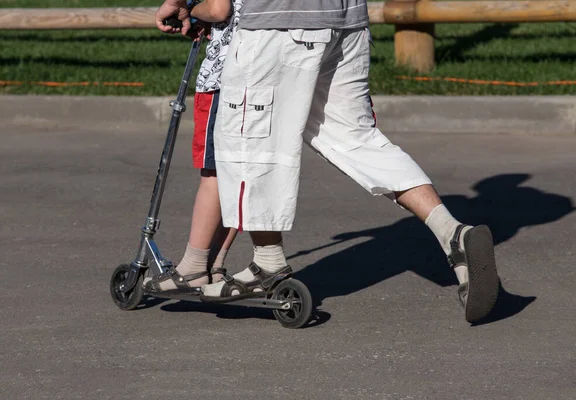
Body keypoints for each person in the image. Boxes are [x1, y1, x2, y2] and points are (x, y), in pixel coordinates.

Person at [155, 0, 500, 323]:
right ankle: (451, 232)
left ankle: (267, 263)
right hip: (346, 20)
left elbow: (219, 6)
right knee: (358, 140)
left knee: (249, 143)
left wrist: (180, 4)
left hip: (279, 23)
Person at [144, 0, 243, 293]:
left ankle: (193, 267)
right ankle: (214, 264)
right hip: (265, 71)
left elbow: (218, 9)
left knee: (214, 172)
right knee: (241, 172)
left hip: (226, 76)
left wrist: (191, 7)